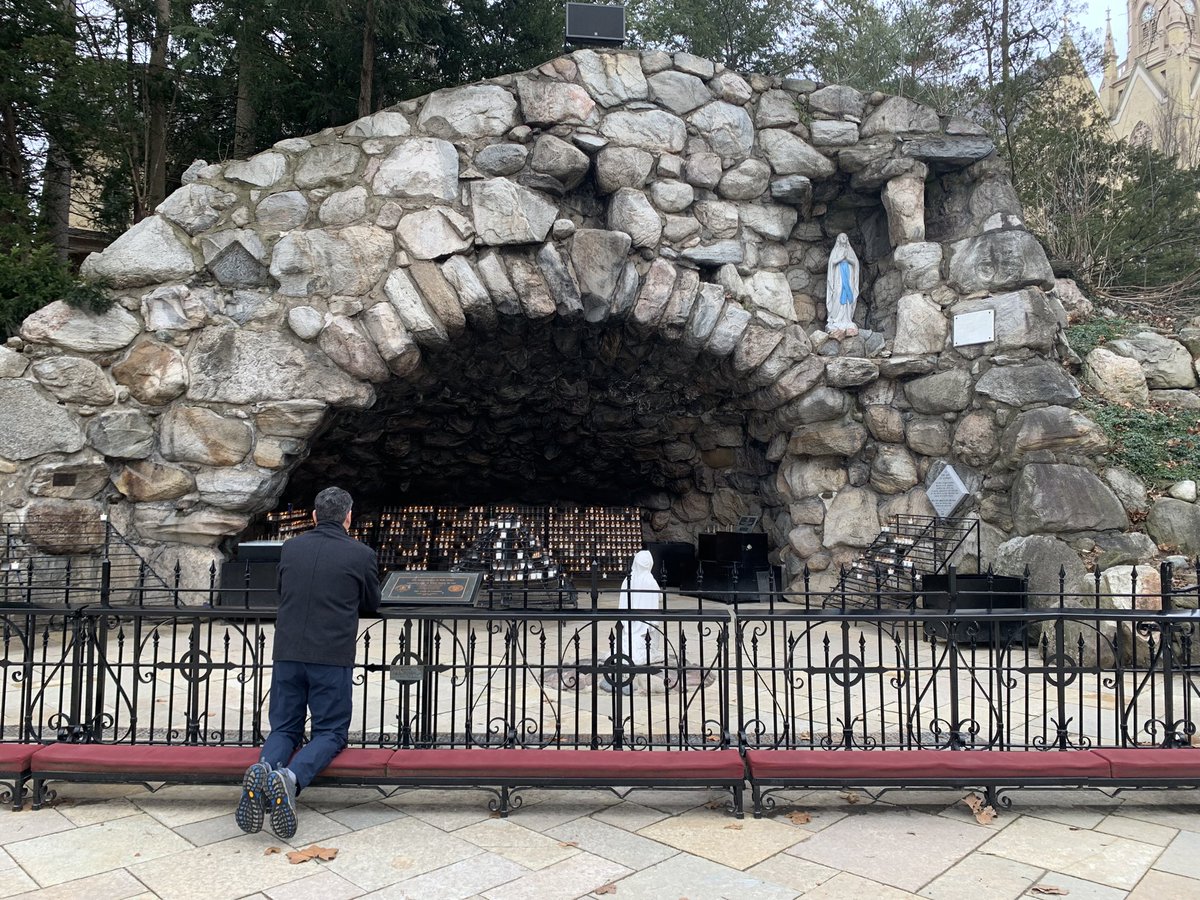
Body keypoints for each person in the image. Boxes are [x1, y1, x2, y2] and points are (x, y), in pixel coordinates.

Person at [235, 486, 381, 839]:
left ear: (314, 516)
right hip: (330, 655)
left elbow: (283, 590)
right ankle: (289, 778)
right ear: (348, 517)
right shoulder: (360, 554)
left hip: (288, 651)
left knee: (285, 728)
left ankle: (266, 767)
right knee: (331, 731)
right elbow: (372, 601)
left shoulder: (292, 547)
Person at [617, 550, 663, 669]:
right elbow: (660, 597)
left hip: (630, 620)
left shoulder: (629, 579)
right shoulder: (650, 580)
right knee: (651, 634)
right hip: (646, 620)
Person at [825, 232, 860, 337]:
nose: (843, 238)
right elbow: (832, 263)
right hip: (838, 278)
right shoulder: (835, 251)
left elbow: (856, 263)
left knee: (848, 296)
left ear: (847, 239)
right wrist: (841, 258)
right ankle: (835, 318)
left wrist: (847, 258)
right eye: (841, 237)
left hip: (848, 278)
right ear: (838, 240)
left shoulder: (850, 251)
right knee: (838, 294)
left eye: (845, 237)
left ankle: (846, 319)